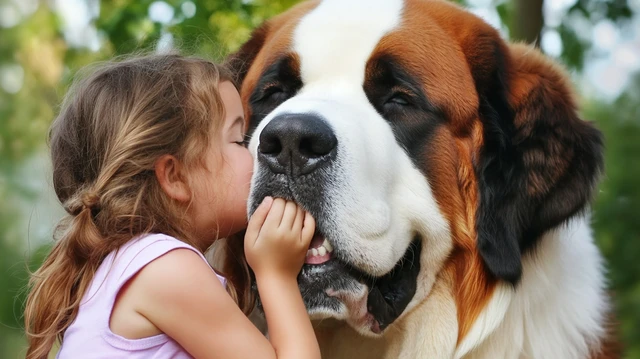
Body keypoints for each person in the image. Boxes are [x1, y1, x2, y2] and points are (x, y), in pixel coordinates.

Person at [23, 53, 321, 359]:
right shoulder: (165, 268)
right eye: (237, 139)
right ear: (174, 176)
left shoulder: (125, 268)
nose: (255, 152)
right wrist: (277, 275)